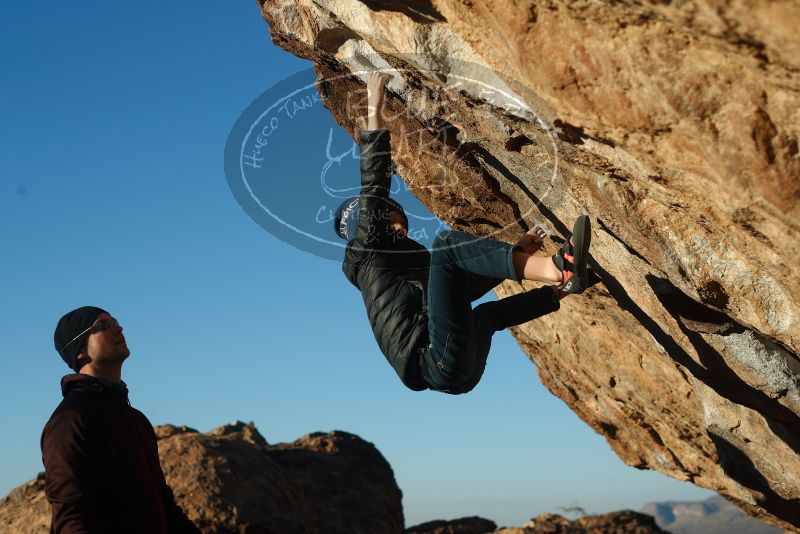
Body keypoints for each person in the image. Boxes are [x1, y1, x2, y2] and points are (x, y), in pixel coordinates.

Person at [335, 72, 600, 394]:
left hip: (455, 373)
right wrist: (374, 105)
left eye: (396, 216)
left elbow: (459, 293)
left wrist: (518, 252)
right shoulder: (366, 252)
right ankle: (556, 268)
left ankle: (563, 285)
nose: (397, 223)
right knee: (447, 244)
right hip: (435, 360)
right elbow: (374, 184)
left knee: (487, 316)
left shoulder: (402, 268)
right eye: (387, 217)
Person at [42, 306, 199, 533]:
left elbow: (165, 508)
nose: (118, 328)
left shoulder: (136, 420)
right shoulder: (70, 421)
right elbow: (71, 516)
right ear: (79, 351)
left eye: (114, 321)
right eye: (102, 326)